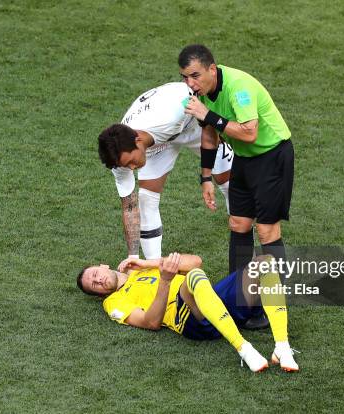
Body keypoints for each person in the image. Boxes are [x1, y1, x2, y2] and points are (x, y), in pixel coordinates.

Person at [178, 45, 294, 284]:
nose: (190, 83)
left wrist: (207, 114)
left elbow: (249, 133)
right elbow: (210, 135)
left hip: (272, 156)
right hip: (244, 158)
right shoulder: (201, 92)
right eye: (185, 77)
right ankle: (238, 297)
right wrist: (206, 178)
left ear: (212, 69)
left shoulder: (238, 87)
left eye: (195, 76)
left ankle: (275, 301)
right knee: (238, 223)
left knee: (266, 230)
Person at [76, 252, 299, 373]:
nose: (98, 279)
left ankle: (282, 347)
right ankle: (244, 349)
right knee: (194, 277)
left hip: (211, 300)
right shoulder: (114, 303)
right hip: (190, 318)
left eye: (95, 273)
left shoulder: (140, 270)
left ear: (103, 266)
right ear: (99, 295)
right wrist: (164, 280)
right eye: (93, 284)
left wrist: (147, 262)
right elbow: (150, 322)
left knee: (265, 263)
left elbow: (195, 261)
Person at [98, 82, 234, 260]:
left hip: (192, 124)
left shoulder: (171, 111)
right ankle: (152, 268)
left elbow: (206, 109)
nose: (131, 168)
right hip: (157, 144)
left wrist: (206, 175)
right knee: (146, 200)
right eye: (126, 165)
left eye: (131, 161)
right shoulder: (119, 158)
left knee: (229, 180)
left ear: (138, 140)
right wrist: (132, 257)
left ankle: (241, 227)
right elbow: (129, 207)